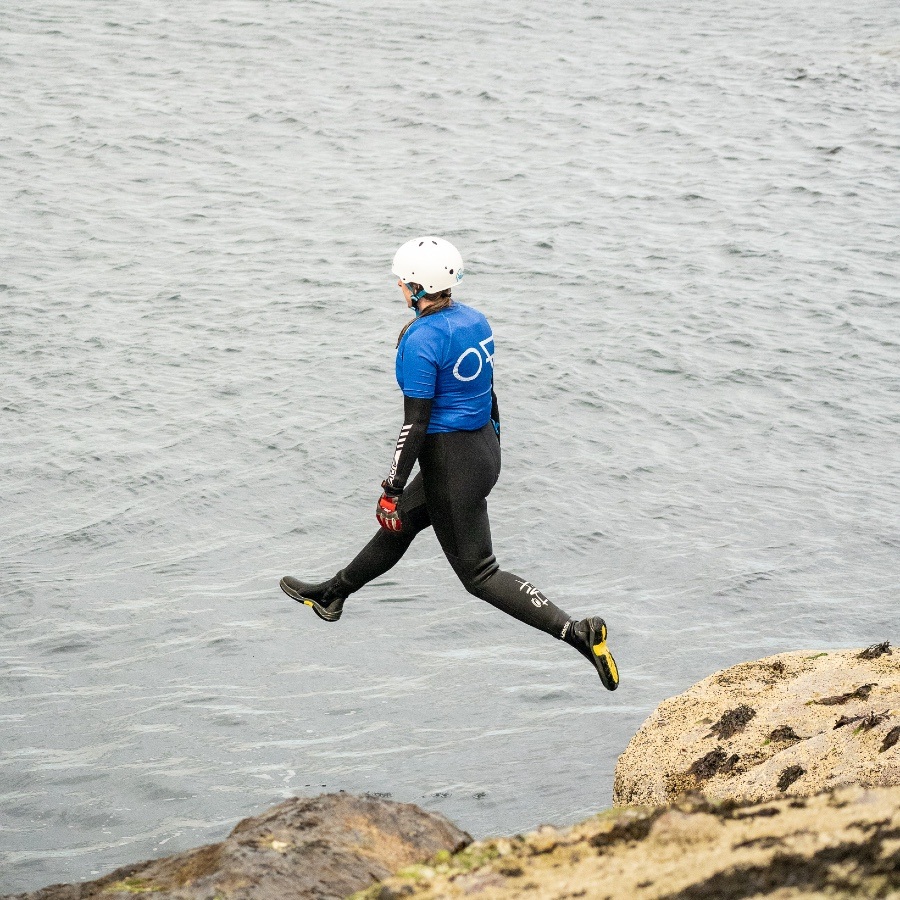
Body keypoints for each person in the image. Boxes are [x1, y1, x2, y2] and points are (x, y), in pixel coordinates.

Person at [280, 237, 618, 690]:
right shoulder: (475, 321)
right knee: (400, 525)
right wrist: (490, 444)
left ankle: (576, 633)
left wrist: (391, 486)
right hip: (482, 449)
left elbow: (414, 426)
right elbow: (489, 392)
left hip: (451, 466)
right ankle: (334, 594)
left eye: (403, 281)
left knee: (480, 574)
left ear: (417, 287)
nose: (400, 287)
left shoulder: (420, 340)